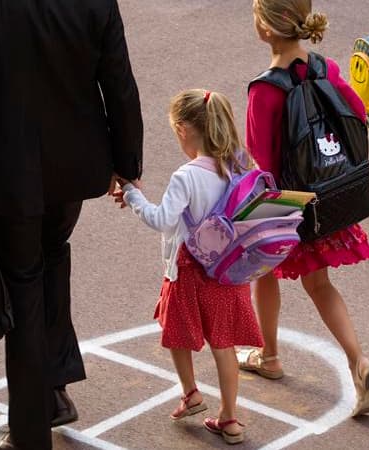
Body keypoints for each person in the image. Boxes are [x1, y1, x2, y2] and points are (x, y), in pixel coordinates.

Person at [0, 0, 143, 448]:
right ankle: (54, 389)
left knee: (24, 286)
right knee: (51, 256)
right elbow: (119, 82)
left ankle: (30, 434)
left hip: (7, 171)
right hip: (73, 166)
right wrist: (128, 162)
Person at [240, 0, 369, 417]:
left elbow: (262, 161)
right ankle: (359, 361)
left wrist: (250, 217)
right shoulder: (326, 67)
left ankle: (269, 356)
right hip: (327, 195)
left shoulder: (265, 89)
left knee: (261, 270)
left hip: (288, 200)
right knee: (320, 286)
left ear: (266, 28)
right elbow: (357, 115)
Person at [113, 89, 264, 444]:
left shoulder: (187, 175)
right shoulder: (243, 163)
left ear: (183, 129)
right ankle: (230, 419)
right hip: (230, 270)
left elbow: (162, 219)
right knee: (223, 343)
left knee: (175, 328)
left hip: (189, 269)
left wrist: (132, 194)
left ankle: (190, 392)